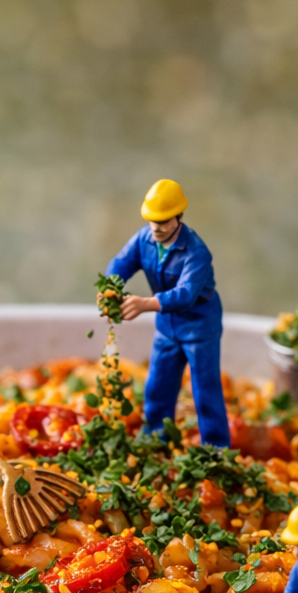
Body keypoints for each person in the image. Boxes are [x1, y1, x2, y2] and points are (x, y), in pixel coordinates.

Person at [106, 179, 229, 447]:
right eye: (152, 220)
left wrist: (144, 305)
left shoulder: (196, 252)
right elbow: (121, 262)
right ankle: (155, 438)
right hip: (167, 326)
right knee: (157, 385)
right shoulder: (145, 239)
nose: (156, 228)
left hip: (200, 327)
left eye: (162, 222)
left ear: (178, 218)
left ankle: (217, 450)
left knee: (205, 391)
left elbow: (186, 294)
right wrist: (108, 288)